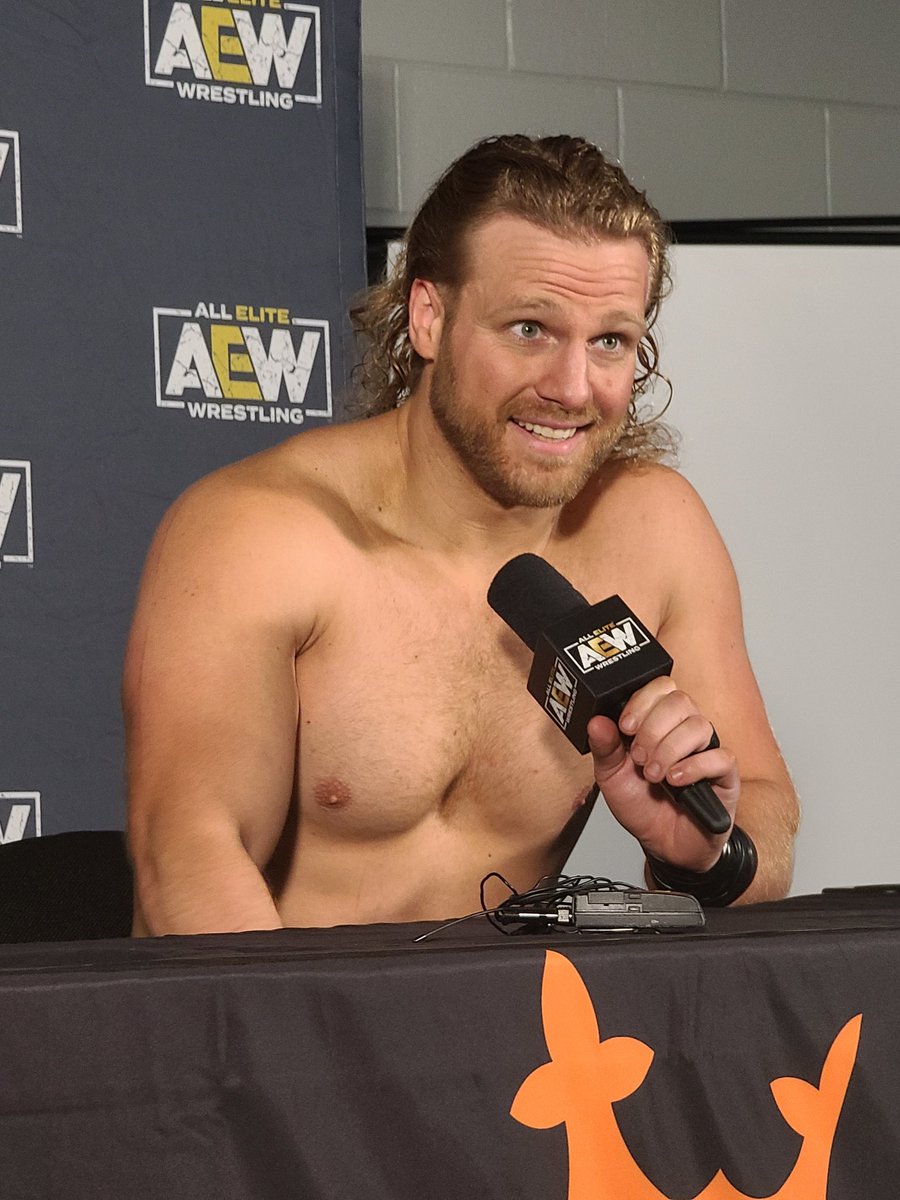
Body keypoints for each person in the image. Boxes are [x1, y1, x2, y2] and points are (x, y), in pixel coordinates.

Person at [124, 134, 799, 935]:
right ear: (429, 318)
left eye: (609, 341)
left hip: (510, 1014)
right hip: (284, 1006)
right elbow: (189, 862)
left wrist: (707, 860)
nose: (572, 388)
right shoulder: (261, 534)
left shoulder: (655, 531)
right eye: (529, 329)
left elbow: (766, 823)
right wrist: (305, 1027)